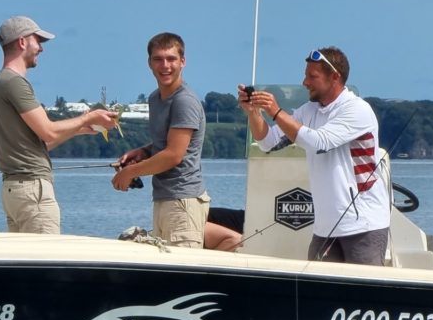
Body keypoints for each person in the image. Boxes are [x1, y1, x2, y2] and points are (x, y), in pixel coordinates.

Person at [238, 47, 390, 265]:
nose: (305, 82)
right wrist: (253, 112)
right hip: (325, 228)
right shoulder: (309, 111)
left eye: (312, 76)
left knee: (363, 297)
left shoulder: (357, 109)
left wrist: (276, 112)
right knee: (320, 295)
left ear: (335, 77)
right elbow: (267, 143)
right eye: (306, 75)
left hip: (363, 226)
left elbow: (319, 142)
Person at [0, 15, 118, 234]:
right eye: (38, 41)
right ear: (22, 42)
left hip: (13, 191)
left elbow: (35, 145)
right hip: (32, 190)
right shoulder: (14, 83)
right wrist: (88, 118)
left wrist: (79, 130)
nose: (41, 49)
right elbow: (47, 131)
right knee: (44, 263)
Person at [113, 32, 209, 248]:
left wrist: (129, 172)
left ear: (182, 62)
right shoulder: (155, 98)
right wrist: (144, 152)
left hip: (184, 202)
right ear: (149, 63)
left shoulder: (184, 101)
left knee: (182, 278)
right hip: (163, 199)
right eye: (158, 59)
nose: (165, 65)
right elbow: (166, 144)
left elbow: (174, 155)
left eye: (171, 59)